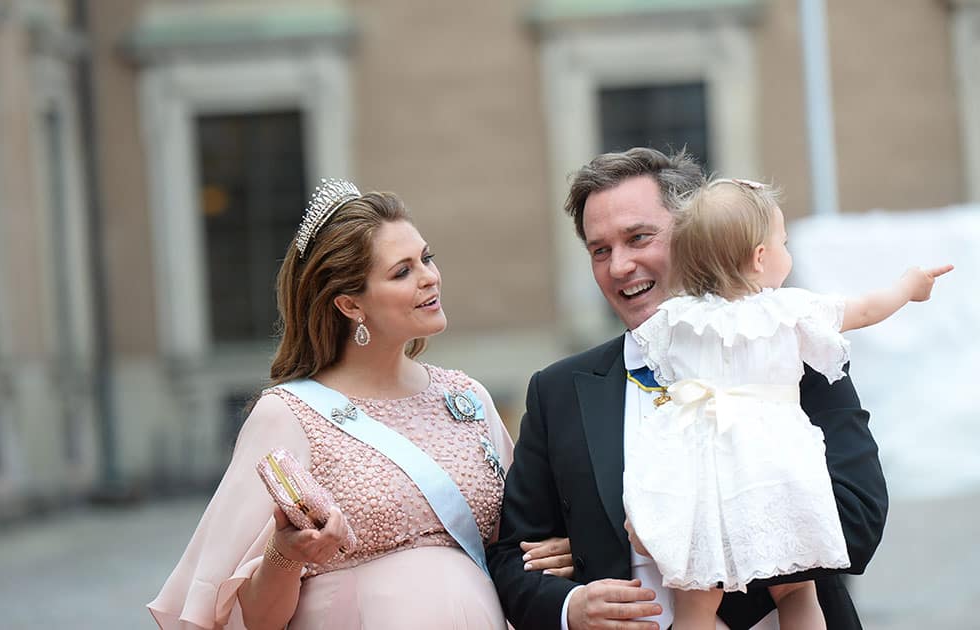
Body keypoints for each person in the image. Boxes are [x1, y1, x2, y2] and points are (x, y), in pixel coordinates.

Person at [486, 148, 890, 630]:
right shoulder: (556, 392)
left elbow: (857, 518)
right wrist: (572, 606)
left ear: (697, 234)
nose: (619, 266)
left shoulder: (791, 349)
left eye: (639, 238)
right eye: (600, 250)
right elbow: (513, 560)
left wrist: (649, 538)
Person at [147, 181, 573, 630]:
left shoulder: (467, 398)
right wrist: (285, 553)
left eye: (426, 258)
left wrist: (557, 549)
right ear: (351, 304)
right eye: (402, 271)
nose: (430, 277)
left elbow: (516, 547)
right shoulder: (288, 414)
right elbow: (254, 619)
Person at [622, 177, 952, 629]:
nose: (787, 251)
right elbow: (866, 310)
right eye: (783, 242)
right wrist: (908, 287)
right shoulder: (785, 312)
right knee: (797, 588)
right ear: (761, 259)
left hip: (698, 479)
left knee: (697, 599)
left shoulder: (677, 319)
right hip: (771, 474)